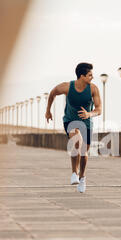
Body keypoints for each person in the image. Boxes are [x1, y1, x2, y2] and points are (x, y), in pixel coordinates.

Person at [45, 62, 102, 193]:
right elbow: (53, 92)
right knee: (77, 139)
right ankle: (74, 173)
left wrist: (89, 114)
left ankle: (82, 178)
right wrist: (48, 110)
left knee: (83, 152)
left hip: (87, 123)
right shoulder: (67, 87)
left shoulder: (93, 89)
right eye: (90, 75)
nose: (92, 77)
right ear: (82, 76)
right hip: (70, 120)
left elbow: (99, 109)